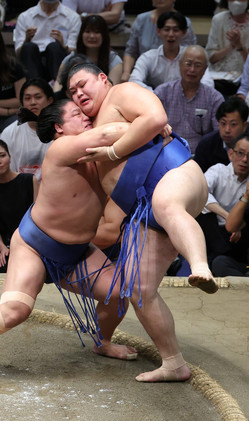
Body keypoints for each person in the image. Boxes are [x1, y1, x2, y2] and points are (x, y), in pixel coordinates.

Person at [0, 99, 137, 379]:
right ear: (59, 127)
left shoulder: (100, 154)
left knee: (119, 293)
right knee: (15, 311)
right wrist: (148, 123)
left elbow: (119, 144)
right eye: (76, 114)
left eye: (84, 112)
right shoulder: (61, 147)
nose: (85, 116)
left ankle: (102, 341)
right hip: (35, 245)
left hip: (76, 252)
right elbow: (108, 133)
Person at [68, 63, 218, 382]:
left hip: (175, 174)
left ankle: (200, 265)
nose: (79, 93)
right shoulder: (89, 127)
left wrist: (111, 151)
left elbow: (156, 118)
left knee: (167, 203)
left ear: (103, 79)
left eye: (82, 84)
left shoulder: (121, 93)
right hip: (142, 211)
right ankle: (174, 363)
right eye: (72, 92)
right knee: (137, 289)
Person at [0, 138, 38, 272]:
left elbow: (37, 219)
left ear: (10, 157)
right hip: (4, 243)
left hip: (29, 239)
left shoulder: (29, 180)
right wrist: (2, 248)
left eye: (2, 155)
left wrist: (19, 246)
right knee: (6, 265)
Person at [154, 45, 224, 154]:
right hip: (167, 154)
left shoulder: (214, 98)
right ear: (180, 64)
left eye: (198, 65)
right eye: (188, 64)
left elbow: (218, 136)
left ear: (205, 69)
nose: (192, 69)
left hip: (202, 158)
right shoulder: (162, 93)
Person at [199, 133, 249, 276]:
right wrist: (229, 217)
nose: (245, 160)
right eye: (240, 153)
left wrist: (239, 224)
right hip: (215, 230)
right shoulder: (219, 171)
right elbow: (201, 193)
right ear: (231, 154)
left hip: (239, 236)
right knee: (202, 214)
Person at [129, 11, 214, 91]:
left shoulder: (192, 57)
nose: (171, 34)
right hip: (155, 101)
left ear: (184, 32)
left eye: (176, 30)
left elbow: (208, 84)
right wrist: (157, 94)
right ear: (158, 31)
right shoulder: (148, 57)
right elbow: (134, 81)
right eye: (166, 29)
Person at [121, 0, 196, 82]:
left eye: (175, 30)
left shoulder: (184, 22)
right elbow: (131, 51)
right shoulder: (141, 19)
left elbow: (191, 54)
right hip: (145, 74)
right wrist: (126, 73)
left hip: (177, 77)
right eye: (167, 29)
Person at [14, 0, 81, 82]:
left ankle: (58, 89)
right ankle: (34, 88)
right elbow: (18, 54)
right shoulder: (24, 17)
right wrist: (26, 40)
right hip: (33, 60)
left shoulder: (73, 17)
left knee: (54, 47)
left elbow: (73, 53)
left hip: (58, 58)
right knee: (28, 47)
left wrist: (63, 45)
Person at [0, 78, 54, 175]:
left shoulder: (59, 130)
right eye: (27, 98)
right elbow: (8, 175)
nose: (33, 102)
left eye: (38, 97)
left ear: (50, 101)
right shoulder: (9, 133)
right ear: (22, 104)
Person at [54, 15, 123, 90]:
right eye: (87, 31)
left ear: (104, 36)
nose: (92, 36)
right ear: (81, 35)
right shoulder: (71, 58)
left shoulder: (114, 60)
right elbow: (58, 83)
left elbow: (111, 89)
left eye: (97, 32)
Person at [194, 96, 249, 172]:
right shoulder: (206, 145)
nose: (227, 130)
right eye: (223, 123)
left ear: (244, 126)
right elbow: (199, 177)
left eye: (233, 124)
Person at [206, 0, 249, 96]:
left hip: (245, 79)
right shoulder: (218, 20)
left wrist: (239, 45)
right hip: (219, 78)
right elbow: (211, 58)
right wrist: (231, 46)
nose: (236, 2)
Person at [62, 0, 128, 33]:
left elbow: (115, 16)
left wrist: (83, 16)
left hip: (115, 29)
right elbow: (69, 18)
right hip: (83, 29)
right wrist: (103, 15)